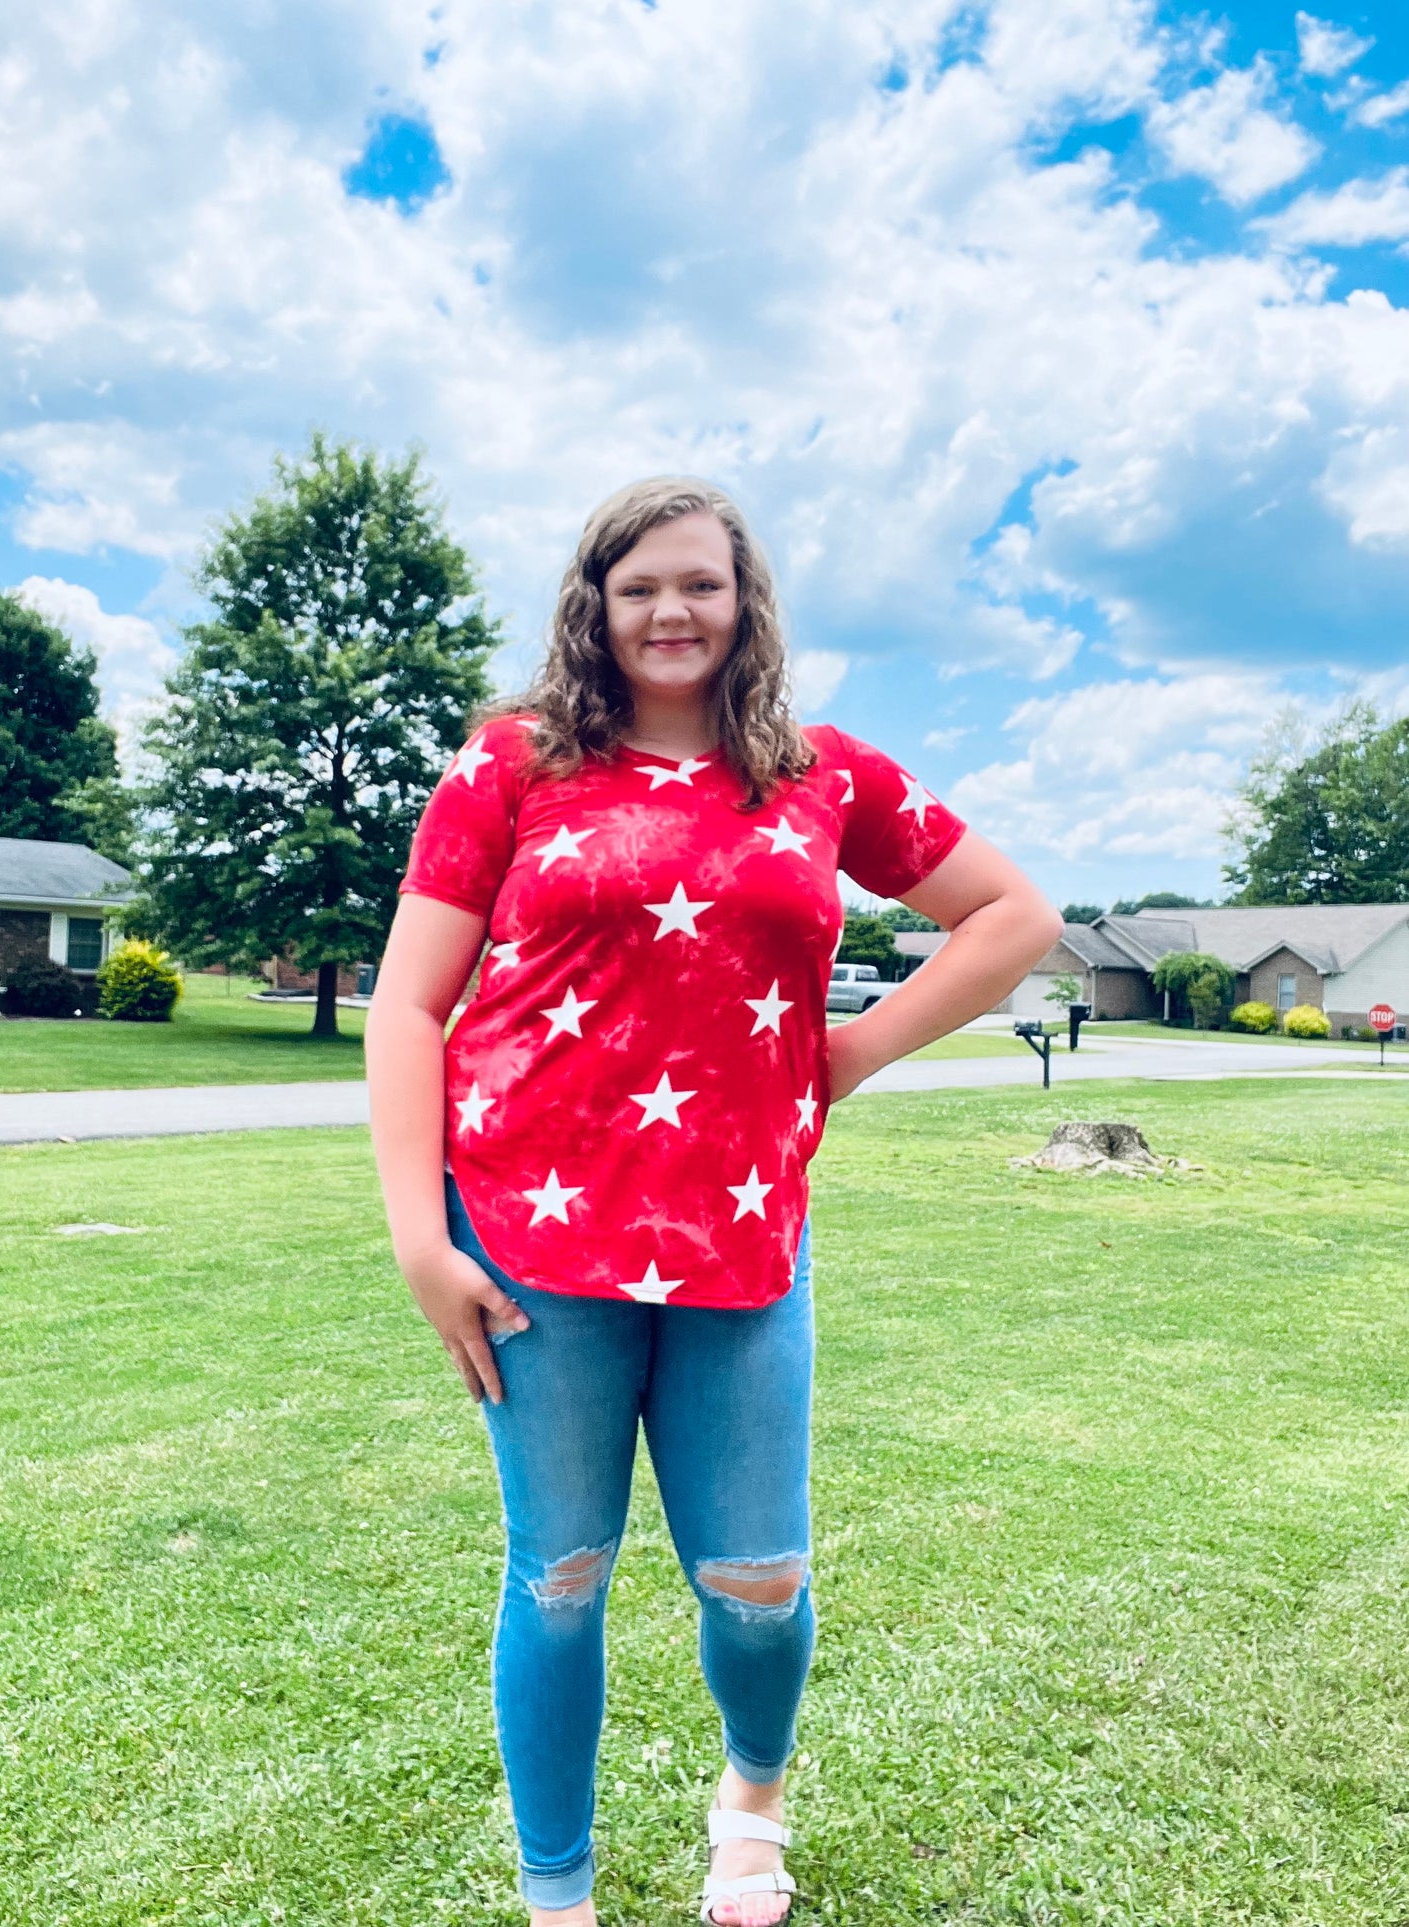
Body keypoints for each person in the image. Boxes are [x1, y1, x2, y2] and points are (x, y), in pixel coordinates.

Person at [365, 477, 1062, 1926]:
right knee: (558, 1575)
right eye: (638, 588)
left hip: (740, 1241)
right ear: (595, 607)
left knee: (758, 1581)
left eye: (699, 583)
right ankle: (557, 1897)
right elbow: (408, 1006)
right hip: (528, 1236)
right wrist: (420, 1241)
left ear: (744, 601)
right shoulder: (511, 763)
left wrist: (849, 1054)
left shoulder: (823, 775)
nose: (670, 612)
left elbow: (1015, 918)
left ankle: (751, 1796)